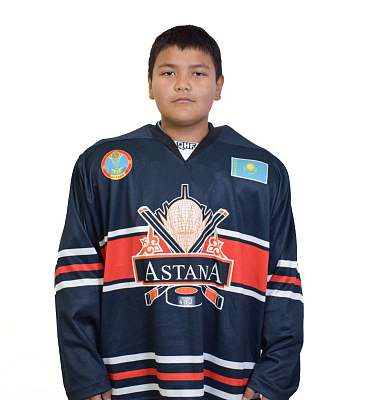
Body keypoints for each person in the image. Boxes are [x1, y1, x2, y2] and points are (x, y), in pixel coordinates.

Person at [55, 25, 303, 400]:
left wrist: (276, 375)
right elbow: (75, 277)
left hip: (233, 382)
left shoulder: (265, 171)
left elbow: (283, 281)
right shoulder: (101, 165)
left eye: (198, 73)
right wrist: (84, 374)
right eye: (168, 72)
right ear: (149, 85)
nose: (183, 83)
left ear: (219, 86)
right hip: (126, 382)